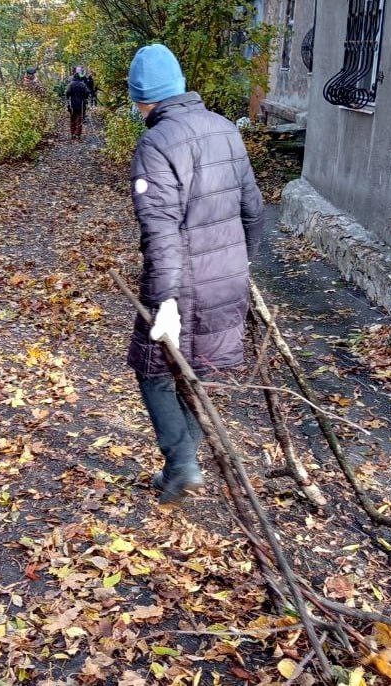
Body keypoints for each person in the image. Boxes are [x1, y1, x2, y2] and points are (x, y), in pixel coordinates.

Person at [126, 43, 264, 504]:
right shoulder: (225, 129)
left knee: (154, 370)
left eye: (137, 99)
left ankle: (183, 462)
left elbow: (161, 232)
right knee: (196, 368)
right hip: (228, 277)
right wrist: (242, 266)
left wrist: (163, 301)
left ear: (144, 98)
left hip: (181, 285)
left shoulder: (156, 143)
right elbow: (253, 210)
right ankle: (185, 460)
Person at [65, 72, 91, 140]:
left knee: (72, 119)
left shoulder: (71, 84)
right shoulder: (83, 84)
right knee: (79, 119)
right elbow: (87, 92)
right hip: (81, 104)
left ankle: (73, 133)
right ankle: (78, 134)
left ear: (74, 77)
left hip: (72, 104)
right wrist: (84, 97)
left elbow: (67, 93)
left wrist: (68, 101)